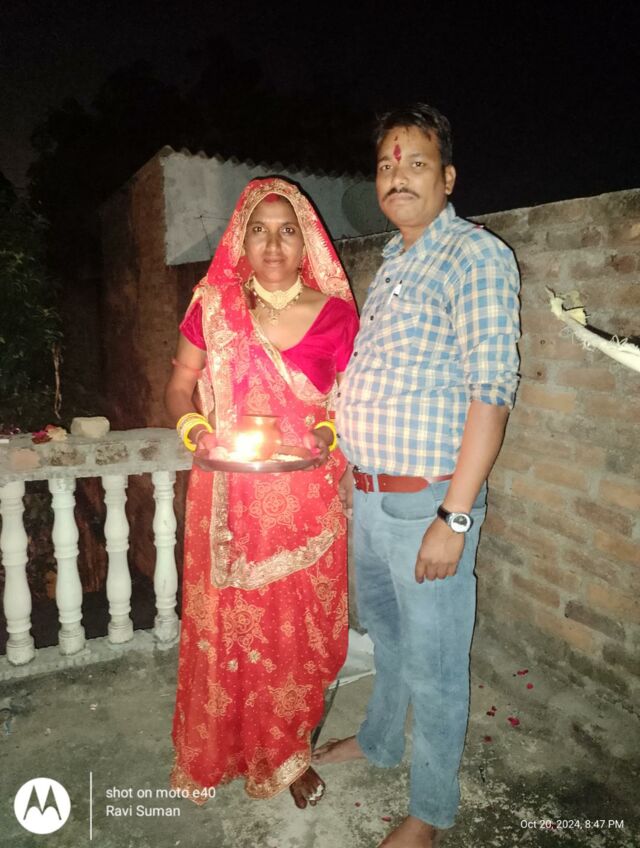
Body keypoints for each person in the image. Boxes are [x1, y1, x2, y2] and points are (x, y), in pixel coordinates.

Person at [313, 104, 521, 847]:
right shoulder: (395, 263)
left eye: (417, 164)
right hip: (373, 498)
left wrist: (454, 518)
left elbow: (491, 393)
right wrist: (349, 464)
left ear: (448, 177)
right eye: (385, 166)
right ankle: (377, 741)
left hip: (428, 503)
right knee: (389, 639)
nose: (397, 177)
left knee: (434, 665)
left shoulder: (472, 256)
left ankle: (429, 813)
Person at [165, 177, 359, 809]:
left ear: (308, 242)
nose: (273, 244)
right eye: (259, 230)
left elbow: (347, 403)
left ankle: (288, 752)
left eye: (287, 230)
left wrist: (327, 434)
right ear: (239, 240)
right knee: (232, 627)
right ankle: (228, 747)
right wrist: (195, 430)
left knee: (294, 632)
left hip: (306, 498)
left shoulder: (337, 315)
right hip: (227, 496)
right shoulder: (212, 307)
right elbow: (180, 383)